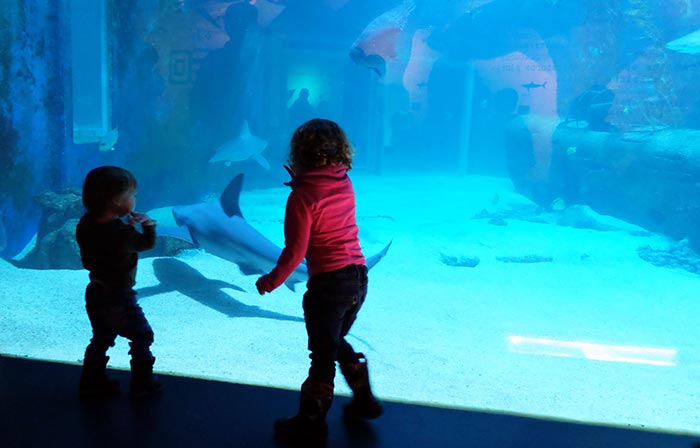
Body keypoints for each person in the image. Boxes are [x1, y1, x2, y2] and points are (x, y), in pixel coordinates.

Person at [256, 119, 383, 444]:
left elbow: (296, 250)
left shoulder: (301, 197)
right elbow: (324, 192)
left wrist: (272, 280)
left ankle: (310, 424)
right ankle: (365, 400)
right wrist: (301, 181)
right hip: (358, 278)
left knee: (322, 356)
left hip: (328, 284)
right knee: (336, 341)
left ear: (297, 155)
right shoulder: (344, 182)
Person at [76, 166, 163, 399]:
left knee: (102, 337)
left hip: (95, 290)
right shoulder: (121, 235)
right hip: (119, 296)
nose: (134, 200)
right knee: (142, 336)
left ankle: (91, 382)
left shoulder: (85, 224)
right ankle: (142, 385)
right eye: (131, 196)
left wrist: (126, 226)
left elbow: (107, 246)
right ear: (116, 201)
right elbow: (145, 244)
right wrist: (148, 226)